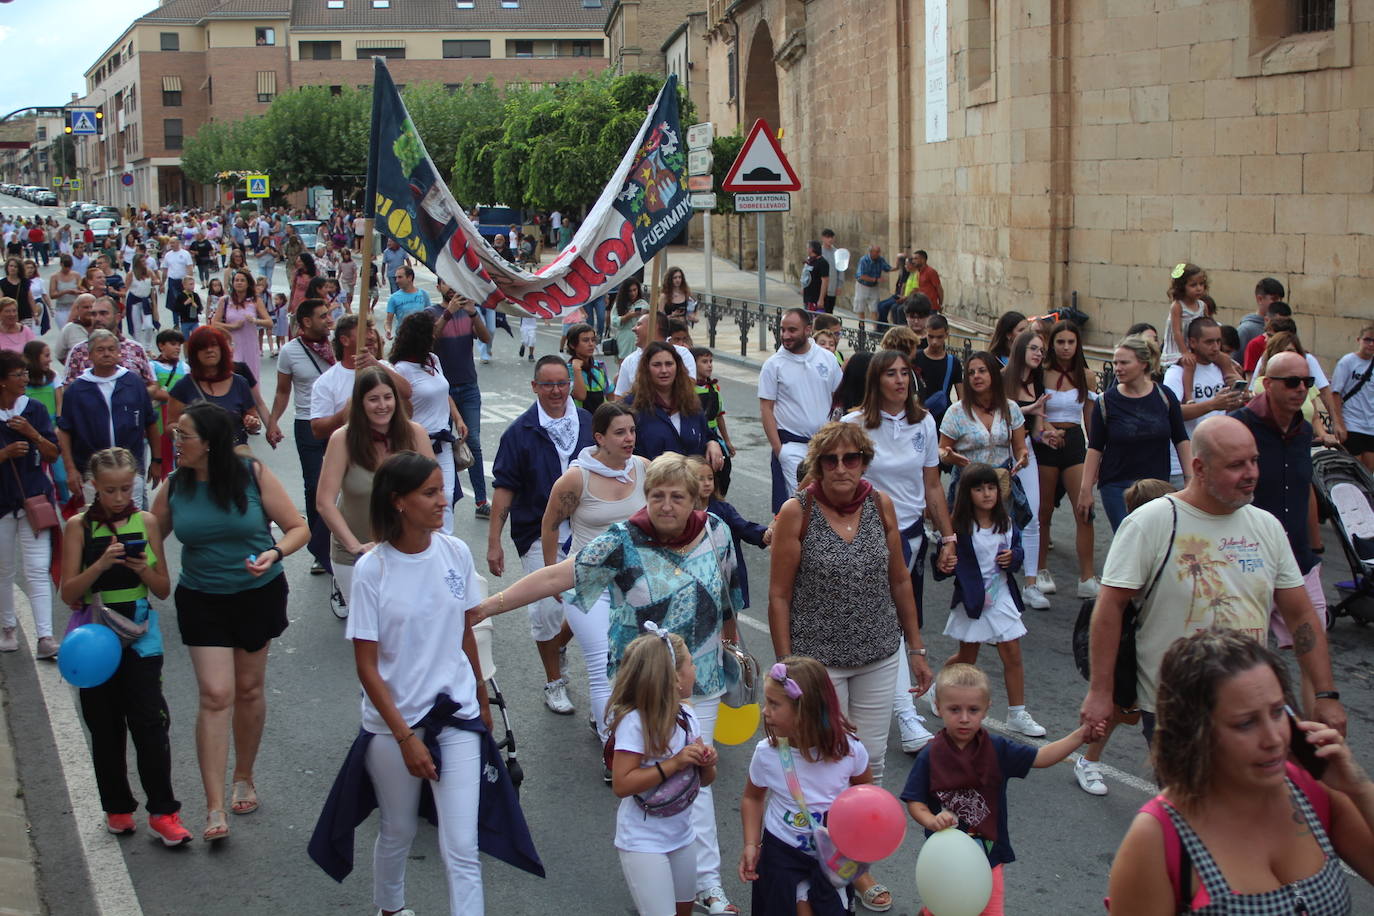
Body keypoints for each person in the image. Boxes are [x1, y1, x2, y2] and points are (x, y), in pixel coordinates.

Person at [474, 452, 743, 915]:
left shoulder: (716, 532)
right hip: (642, 688)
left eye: (676, 496)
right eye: (656, 495)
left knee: (697, 777)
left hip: (702, 679)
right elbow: (561, 574)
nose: (665, 504)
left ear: (695, 497)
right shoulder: (623, 539)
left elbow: (727, 597)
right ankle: (651, 867)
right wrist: (490, 606)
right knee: (646, 780)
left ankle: (706, 882)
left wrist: (733, 648)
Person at [1080, 416, 1347, 766]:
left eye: (1254, 461)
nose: (1251, 473)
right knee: (1198, 815)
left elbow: (1300, 616)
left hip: (1255, 707)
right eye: (1236, 465)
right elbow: (1110, 607)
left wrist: (1326, 694)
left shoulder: (1266, 527)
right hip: (1177, 710)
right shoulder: (1150, 523)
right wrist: (1101, 692)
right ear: (1199, 468)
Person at [1106, 630, 1374, 914]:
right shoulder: (1157, 838)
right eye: (1246, 723)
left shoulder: (1312, 789)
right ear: (1196, 734)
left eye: (1276, 712)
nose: (1273, 739)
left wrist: (1359, 787)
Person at [342, 450, 496, 916]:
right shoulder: (373, 570)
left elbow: (465, 632)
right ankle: (390, 907)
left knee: (463, 844)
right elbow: (366, 666)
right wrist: (406, 737)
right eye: (429, 492)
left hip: (457, 715)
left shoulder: (455, 552)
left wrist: (482, 699)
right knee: (399, 828)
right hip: (395, 725)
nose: (442, 499)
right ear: (399, 502)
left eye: (440, 489)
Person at [152, 402, 308, 841]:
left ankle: (244, 774)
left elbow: (298, 527)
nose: (175, 441)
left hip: (257, 594)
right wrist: (148, 579)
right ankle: (214, 805)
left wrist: (274, 552)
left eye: (183, 435)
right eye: (176, 434)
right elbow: (147, 536)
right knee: (216, 694)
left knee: (248, 688)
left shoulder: (252, 475)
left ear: (209, 443)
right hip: (202, 597)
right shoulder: (173, 487)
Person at [768, 420, 935, 791]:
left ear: (864, 462)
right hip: (819, 662)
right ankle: (822, 836)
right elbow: (779, 595)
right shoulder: (798, 512)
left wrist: (917, 649)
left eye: (851, 458)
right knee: (827, 753)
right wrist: (786, 667)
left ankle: (861, 839)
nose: (841, 468)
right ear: (818, 465)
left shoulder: (881, 504)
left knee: (871, 757)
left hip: (878, 654)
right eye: (830, 460)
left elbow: (900, 580)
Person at [59, 447, 190, 846]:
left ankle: (164, 812)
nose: (119, 498)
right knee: (105, 725)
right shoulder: (78, 527)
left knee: (151, 724)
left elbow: (164, 589)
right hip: (95, 636)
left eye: (125, 489)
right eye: (110, 490)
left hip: (140, 630)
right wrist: (99, 566)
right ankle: (117, 808)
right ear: (93, 486)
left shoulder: (147, 521)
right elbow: (68, 592)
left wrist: (142, 569)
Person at [902, 664, 1097, 916]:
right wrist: (932, 820)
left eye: (973, 710)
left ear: (986, 709)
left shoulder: (997, 749)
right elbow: (915, 802)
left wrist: (1081, 735)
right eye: (954, 709)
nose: (964, 717)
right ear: (938, 707)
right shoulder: (931, 755)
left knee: (990, 910)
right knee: (945, 908)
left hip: (989, 855)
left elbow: (1040, 757)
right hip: (946, 860)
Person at [840, 350, 956, 754]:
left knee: (901, 621)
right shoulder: (852, 425)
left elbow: (933, 485)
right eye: (891, 374)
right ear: (876, 381)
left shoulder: (923, 421)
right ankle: (906, 715)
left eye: (905, 373)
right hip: (865, 536)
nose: (900, 381)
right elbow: (833, 480)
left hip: (910, 536)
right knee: (886, 622)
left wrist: (948, 536)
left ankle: (888, 707)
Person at [486, 356, 593, 715]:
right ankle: (554, 682)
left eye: (562, 383)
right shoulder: (521, 432)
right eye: (547, 385)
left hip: (586, 530)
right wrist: (494, 542)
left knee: (589, 603)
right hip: (536, 533)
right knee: (548, 608)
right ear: (534, 387)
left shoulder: (590, 424)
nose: (556, 391)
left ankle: (559, 644)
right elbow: (504, 489)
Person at [539, 401, 647, 746]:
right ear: (600, 437)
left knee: (632, 664)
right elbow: (551, 525)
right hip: (587, 582)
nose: (629, 438)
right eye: (619, 432)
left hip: (633, 582)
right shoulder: (577, 478)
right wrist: (553, 575)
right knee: (605, 665)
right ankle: (613, 750)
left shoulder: (644, 469)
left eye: (631, 430)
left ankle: (604, 717)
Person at [738, 656, 875, 915]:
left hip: (831, 858)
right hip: (782, 853)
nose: (765, 711)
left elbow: (867, 795)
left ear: (804, 711)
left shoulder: (850, 751)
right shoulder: (767, 754)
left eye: (774, 704)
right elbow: (753, 798)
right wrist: (750, 844)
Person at [1233, 351, 1330, 704]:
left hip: (1299, 563)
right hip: (1248, 562)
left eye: (1307, 382)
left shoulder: (1304, 431)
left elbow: (1303, 489)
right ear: (1267, 384)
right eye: (1292, 382)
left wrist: (1315, 548)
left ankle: (1312, 744)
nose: (1301, 389)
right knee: (1243, 663)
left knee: (1315, 659)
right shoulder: (1239, 426)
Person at [928, 464, 1046, 737]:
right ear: (967, 493)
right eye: (979, 489)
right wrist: (946, 564)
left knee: (1012, 653)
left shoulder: (1006, 522)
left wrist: (1012, 557)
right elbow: (942, 565)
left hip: (1001, 594)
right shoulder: (959, 527)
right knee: (966, 658)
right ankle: (939, 687)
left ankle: (1017, 712)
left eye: (991, 488)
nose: (987, 494)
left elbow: (1016, 551)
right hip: (973, 598)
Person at [607, 628, 715, 916]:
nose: (695, 669)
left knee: (683, 911)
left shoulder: (687, 716)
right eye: (690, 664)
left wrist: (707, 762)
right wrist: (675, 763)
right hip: (643, 840)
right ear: (675, 678)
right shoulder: (635, 722)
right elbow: (622, 783)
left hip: (682, 833)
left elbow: (705, 780)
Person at [317, 365, 433, 617]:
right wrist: (355, 546)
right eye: (373, 399)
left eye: (387, 397)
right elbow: (325, 502)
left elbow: (434, 492)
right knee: (370, 636)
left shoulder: (415, 434)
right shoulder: (342, 439)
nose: (382, 405)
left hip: (408, 551)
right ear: (360, 403)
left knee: (407, 628)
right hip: (356, 555)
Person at [1079, 335, 1192, 531]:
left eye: (1124, 362)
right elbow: (1095, 448)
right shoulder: (1106, 401)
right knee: (1128, 538)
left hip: (1157, 486)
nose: (1117, 368)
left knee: (1156, 541)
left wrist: (1190, 479)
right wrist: (1085, 489)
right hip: (1117, 486)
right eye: (1115, 362)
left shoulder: (1165, 397)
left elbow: (1181, 439)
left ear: (1143, 364)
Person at [59, 330, 162, 508]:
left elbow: (150, 423)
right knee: (97, 526)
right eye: (100, 349)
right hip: (91, 473)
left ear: (118, 352)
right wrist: (70, 469)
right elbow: (64, 431)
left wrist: (157, 460)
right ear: (90, 354)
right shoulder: (77, 390)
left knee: (131, 523)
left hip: (130, 470)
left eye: (111, 349)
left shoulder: (133, 382)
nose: (106, 353)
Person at [0, 349, 59, 657]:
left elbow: (53, 453)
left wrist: (33, 434)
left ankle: (45, 636)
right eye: (18, 375)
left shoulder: (33, 409)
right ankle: (8, 626)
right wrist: (5, 455)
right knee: (4, 569)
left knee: (37, 569)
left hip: (35, 500)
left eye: (25, 373)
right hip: (2, 505)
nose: (25, 379)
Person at [1033, 320, 1099, 599]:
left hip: (1073, 443)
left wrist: (1097, 451)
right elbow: (1037, 414)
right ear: (1052, 345)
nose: (1066, 347)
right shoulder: (1041, 373)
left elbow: (1090, 420)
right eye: (1060, 342)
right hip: (1047, 442)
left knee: (1084, 509)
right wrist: (1047, 432)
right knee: (1044, 510)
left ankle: (1087, 576)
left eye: (1071, 342)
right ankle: (1040, 570)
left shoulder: (1088, 376)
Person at [388, 311, 466, 533]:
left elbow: (443, 392)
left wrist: (458, 417)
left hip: (444, 442)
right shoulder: (400, 369)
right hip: (417, 445)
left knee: (447, 495)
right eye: (430, 333)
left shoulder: (434, 360)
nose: (434, 336)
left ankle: (445, 544)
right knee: (422, 498)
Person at [759, 308, 842, 512]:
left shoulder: (827, 359)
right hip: (792, 447)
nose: (786, 336)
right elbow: (766, 408)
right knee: (797, 508)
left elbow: (838, 399)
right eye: (783, 330)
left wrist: (835, 437)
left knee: (827, 505)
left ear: (807, 330)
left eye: (792, 330)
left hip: (824, 447)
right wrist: (780, 451)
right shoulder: (773, 365)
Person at [427, 283, 492, 518]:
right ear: (438, 286)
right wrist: (449, 312)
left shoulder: (468, 312)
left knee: (472, 441)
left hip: (469, 386)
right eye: (446, 282)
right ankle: (444, 499)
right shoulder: (432, 313)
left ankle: (481, 501)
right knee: (442, 445)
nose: (453, 287)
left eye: (456, 282)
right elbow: (429, 339)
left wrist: (473, 312)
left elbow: (486, 337)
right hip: (441, 389)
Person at [1163, 316, 1247, 481]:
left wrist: (1234, 402)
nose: (1216, 347)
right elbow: (1171, 412)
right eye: (1209, 342)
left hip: (1218, 460)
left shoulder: (1221, 367)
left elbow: (1224, 410)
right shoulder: (1177, 372)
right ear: (1193, 342)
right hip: (1182, 465)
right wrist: (1213, 404)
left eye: (1218, 341)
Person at [308, 315, 412, 442]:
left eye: (371, 331)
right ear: (345, 340)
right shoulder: (326, 381)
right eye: (364, 332)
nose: (371, 336)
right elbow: (317, 430)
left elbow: (407, 393)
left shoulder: (384, 367)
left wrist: (376, 364)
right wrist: (346, 413)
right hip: (351, 452)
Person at [1003, 330, 1049, 609]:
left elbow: (1039, 426)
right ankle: (1000, 581)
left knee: (1032, 515)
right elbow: (997, 414)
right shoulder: (1000, 377)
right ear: (1020, 349)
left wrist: (1048, 435)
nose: (1038, 354)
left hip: (1026, 451)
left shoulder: (1038, 381)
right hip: (999, 452)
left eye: (1041, 351)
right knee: (999, 519)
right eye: (1033, 348)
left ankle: (1030, 584)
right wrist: (1029, 408)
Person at [627, 342, 724, 468]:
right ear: (646, 369)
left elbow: (706, 433)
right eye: (657, 365)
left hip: (691, 483)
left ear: (678, 367)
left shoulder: (690, 402)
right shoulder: (632, 406)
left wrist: (713, 443)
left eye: (669, 364)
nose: (664, 370)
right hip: (652, 483)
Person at [166, 327, 261, 447]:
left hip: (235, 458)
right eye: (203, 347)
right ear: (195, 353)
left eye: (214, 345)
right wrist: (186, 432)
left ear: (222, 349)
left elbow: (254, 420)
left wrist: (252, 424)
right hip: (198, 460)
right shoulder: (184, 386)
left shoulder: (240, 383)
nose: (209, 350)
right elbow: (170, 426)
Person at [612, 311, 697, 400]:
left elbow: (688, 387)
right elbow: (619, 398)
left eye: (639, 324)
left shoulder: (682, 353)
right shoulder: (629, 361)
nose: (634, 329)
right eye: (656, 365)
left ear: (654, 327)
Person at [212, 269, 271, 381]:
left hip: (250, 346)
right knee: (232, 378)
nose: (239, 283)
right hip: (231, 345)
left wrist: (255, 320)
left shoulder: (255, 301)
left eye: (242, 280)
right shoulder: (224, 301)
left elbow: (269, 323)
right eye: (236, 280)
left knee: (250, 379)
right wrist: (232, 327)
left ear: (248, 283)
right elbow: (214, 323)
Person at [1332, 324, 1374, 472]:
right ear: (1359, 340)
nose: (1371, 344)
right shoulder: (1347, 362)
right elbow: (1335, 393)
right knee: (1354, 470)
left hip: (1370, 426)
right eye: (1367, 339)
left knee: (1369, 471)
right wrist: (1338, 423)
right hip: (1351, 423)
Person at [1161, 263, 1213, 368]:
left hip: (1196, 348)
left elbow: (1209, 327)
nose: (1199, 288)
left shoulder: (1202, 306)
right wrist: (1184, 352)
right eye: (1193, 285)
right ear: (1182, 287)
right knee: (1189, 364)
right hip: (1178, 349)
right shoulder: (1178, 306)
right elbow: (1177, 332)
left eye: (1201, 284)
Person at [1235, 276, 1285, 361]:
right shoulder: (1245, 330)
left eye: (1281, 300)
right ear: (1260, 299)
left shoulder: (1286, 327)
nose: (1278, 304)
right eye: (1274, 299)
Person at [564, 322, 608, 413]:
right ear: (572, 345)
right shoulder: (567, 371)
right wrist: (576, 369)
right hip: (579, 420)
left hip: (600, 420)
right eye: (585, 340)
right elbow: (580, 396)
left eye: (593, 340)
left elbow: (610, 394)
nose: (591, 344)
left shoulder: (599, 366)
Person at [853, 244, 896, 322]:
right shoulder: (864, 260)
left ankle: (874, 328)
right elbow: (861, 276)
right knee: (860, 307)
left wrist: (897, 267)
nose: (878, 254)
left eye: (879, 252)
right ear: (871, 252)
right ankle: (861, 327)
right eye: (876, 252)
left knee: (875, 307)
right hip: (862, 285)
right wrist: (875, 279)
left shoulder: (880, 259)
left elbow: (887, 268)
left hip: (874, 286)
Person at [384, 266, 429, 339]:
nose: (397, 281)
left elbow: (429, 316)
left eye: (400, 277)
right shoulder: (393, 298)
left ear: (410, 278)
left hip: (421, 338)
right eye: (396, 278)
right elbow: (388, 321)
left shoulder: (423, 294)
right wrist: (388, 330)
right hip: (402, 338)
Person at [159, 236, 194, 325]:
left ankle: (184, 320)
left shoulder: (185, 254)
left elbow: (190, 268)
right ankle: (176, 323)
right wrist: (162, 284)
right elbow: (165, 270)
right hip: (172, 281)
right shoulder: (168, 255)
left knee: (185, 301)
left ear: (178, 243)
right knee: (174, 303)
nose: (171, 245)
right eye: (170, 243)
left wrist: (190, 282)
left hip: (183, 281)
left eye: (173, 243)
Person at [48, 253, 83, 327]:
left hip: (75, 307)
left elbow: (82, 289)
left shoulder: (76, 275)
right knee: (64, 329)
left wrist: (79, 291)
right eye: (65, 267)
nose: (67, 269)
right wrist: (66, 292)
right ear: (61, 264)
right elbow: (52, 295)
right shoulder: (54, 277)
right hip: (62, 309)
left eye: (69, 267)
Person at [0, 257, 34, 325]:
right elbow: (1, 300)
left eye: (15, 266)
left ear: (19, 269)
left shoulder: (25, 282)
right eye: (11, 266)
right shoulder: (2, 283)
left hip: (25, 314)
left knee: (24, 334)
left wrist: (35, 313)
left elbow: (30, 298)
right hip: (8, 315)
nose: (13, 268)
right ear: (7, 267)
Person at [800, 240, 830, 312]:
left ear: (811, 249)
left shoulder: (822, 262)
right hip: (808, 296)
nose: (806, 250)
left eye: (807, 248)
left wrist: (821, 299)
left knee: (816, 320)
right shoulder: (809, 261)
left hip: (816, 297)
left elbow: (825, 281)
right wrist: (803, 288)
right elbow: (805, 275)